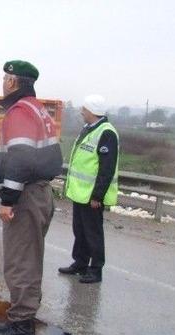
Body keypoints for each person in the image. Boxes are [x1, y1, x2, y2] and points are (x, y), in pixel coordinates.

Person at [0, 60, 62, 335]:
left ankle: (21, 328)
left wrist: (8, 199)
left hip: (27, 197)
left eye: (6, 78)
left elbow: (20, 158)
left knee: (21, 263)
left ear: (14, 82)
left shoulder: (19, 112)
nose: (3, 83)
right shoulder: (37, 109)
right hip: (37, 193)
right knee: (26, 260)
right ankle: (19, 320)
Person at [58, 95, 119, 284]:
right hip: (81, 193)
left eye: (84, 109)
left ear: (92, 111)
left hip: (92, 195)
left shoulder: (106, 133)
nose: (81, 112)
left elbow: (106, 168)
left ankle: (95, 269)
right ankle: (80, 263)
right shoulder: (89, 129)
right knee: (80, 230)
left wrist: (97, 196)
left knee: (93, 233)